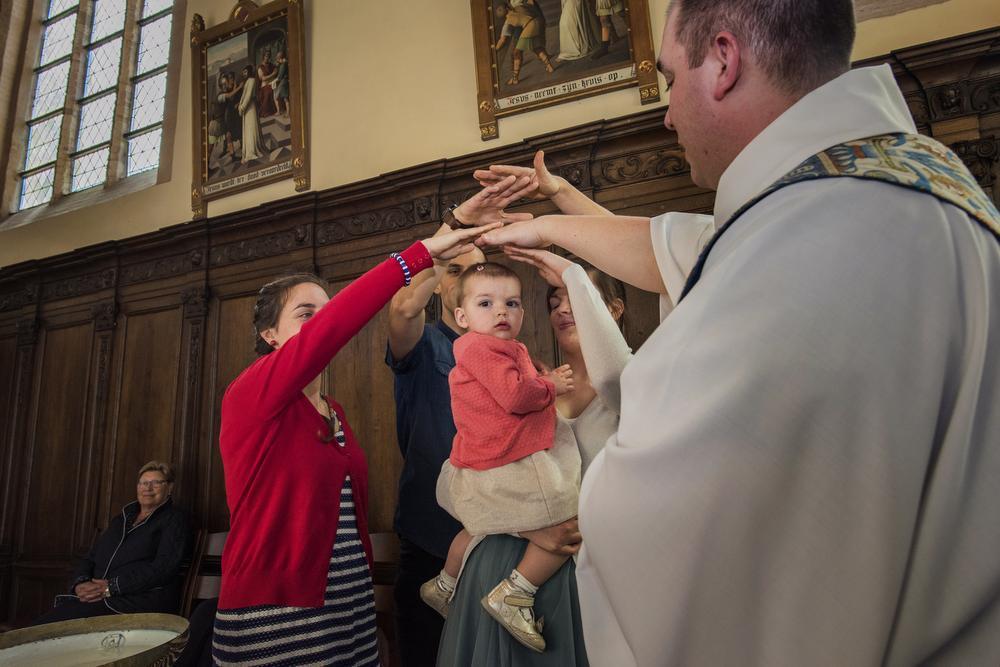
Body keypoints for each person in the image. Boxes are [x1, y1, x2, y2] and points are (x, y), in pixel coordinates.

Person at [478, 0, 1000, 664]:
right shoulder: (893, 185)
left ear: (723, 61)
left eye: (670, 79)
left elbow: (666, 515)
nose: (666, 113)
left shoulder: (801, 242)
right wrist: (550, 220)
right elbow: (681, 248)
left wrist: (602, 487)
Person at [210, 223, 497, 666]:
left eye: (328, 311)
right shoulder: (251, 394)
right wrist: (419, 255)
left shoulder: (334, 411)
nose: (324, 322)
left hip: (348, 613)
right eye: (308, 314)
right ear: (270, 336)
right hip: (277, 613)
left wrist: (365, 617)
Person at [436, 249, 632, 667]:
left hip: (589, 574)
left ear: (613, 309)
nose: (561, 308)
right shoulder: (524, 381)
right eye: (553, 300)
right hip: (498, 568)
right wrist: (529, 528)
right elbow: (456, 481)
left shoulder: (634, 386)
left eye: (575, 295)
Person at [385, 176, 537, 666]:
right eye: (455, 271)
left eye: (477, 273)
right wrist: (454, 232)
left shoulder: (514, 352)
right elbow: (403, 304)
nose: (467, 280)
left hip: (501, 536)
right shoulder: (423, 341)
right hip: (432, 537)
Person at [422, 262, 576, 654]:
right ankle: (517, 592)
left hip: (482, 459)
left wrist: (534, 373)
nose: (501, 312)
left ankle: (444, 583)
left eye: (511, 303)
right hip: (507, 459)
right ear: (462, 315)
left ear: (523, 312)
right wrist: (551, 385)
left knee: (477, 524)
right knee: (563, 511)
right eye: (486, 303)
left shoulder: (488, 349)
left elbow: (508, 383)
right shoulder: (481, 347)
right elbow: (516, 396)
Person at [33, 461, 192, 626]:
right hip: (100, 598)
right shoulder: (121, 519)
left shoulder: (175, 519)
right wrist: (81, 583)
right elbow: (91, 557)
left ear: (170, 488)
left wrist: (112, 587)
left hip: (139, 601)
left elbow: (163, 568)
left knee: (52, 625)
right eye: (143, 483)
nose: (148, 488)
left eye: (156, 483)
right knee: (47, 624)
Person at [495, 0, 557, 85]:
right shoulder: (520, 7)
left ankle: (515, 78)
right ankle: (549, 66)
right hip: (538, 22)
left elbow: (502, 40)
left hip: (530, 26)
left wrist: (495, 49)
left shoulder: (507, 22)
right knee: (536, 47)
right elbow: (533, 7)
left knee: (517, 52)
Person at [237, 65, 264, 164]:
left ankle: (252, 152)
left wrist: (242, 107)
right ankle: (248, 152)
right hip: (247, 109)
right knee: (248, 130)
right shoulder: (247, 81)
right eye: (243, 72)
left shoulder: (252, 80)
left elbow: (248, 96)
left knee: (251, 129)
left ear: (248, 72)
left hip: (250, 108)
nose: (243, 74)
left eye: (245, 72)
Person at [256, 49, 278, 119]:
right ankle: (266, 112)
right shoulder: (260, 67)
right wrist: (272, 74)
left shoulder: (272, 65)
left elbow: (276, 72)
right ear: (263, 57)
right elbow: (263, 78)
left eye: (268, 56)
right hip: (264, 86)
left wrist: (273, 75)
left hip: (272, 83)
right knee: (268, 92)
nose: (267, 57)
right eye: (266, 56)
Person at [272, 50, 290, 117]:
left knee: (283, 98)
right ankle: (285, 112)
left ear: (279, 58)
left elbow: (280, 76)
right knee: (285, 98)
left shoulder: (283, 65)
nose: (277, 61)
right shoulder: (284, 63)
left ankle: (287, 113)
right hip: (284, 82)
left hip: (283, 82)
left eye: (277, 59)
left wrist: (274, 81)